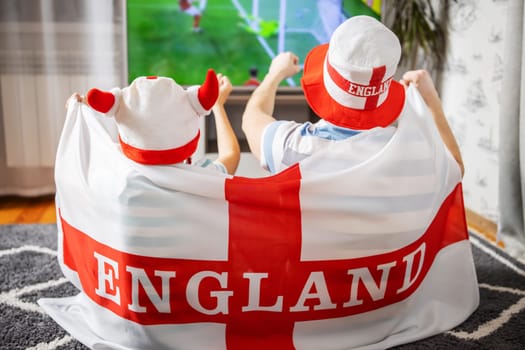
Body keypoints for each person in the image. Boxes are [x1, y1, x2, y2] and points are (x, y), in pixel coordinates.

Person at [241, 15, 464, 177]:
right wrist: (432, 100)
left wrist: (274, 74)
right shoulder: (415, 159)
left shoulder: (292, 147)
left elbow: (252, 118)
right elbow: (456, 169)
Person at [69, 71, 240, 175]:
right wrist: (217, 105)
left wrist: (76, 108)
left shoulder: (116, 175)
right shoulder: (203, 177)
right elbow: (231, 155)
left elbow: (83, 159)